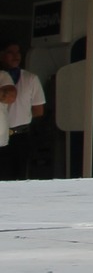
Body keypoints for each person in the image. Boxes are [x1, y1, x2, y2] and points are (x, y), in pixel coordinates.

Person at [0, 41, 46, 181]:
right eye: (10, 52)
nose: (15, 56)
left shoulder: (30, 79)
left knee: (18, 178)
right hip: (1, 137)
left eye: (18, 52)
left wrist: (19, 116)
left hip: (19, 136)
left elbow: (38, 110)